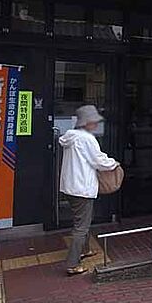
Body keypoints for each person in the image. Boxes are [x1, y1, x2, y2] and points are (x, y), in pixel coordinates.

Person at [59, 105, 119, 276]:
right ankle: (73, 264)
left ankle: (85, 250)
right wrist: (114, 163)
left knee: (81, 220)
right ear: (86, 122)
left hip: (69, 186)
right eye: (93, 121)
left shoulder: (70, 136)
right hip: (82, 188)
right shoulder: (87, 139)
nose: (96, 124)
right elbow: (98, 161)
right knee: (81, 226)